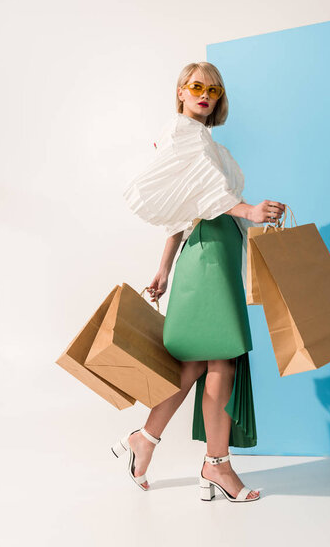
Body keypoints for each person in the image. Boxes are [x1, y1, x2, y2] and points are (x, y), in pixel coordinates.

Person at [116, 62, 285, 502]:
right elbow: (205, 198)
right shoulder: (182, 136)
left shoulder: (204, 142)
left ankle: (145, 439)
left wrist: (164, 269)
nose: (204, 94)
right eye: (196, 86)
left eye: (213, 88)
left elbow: (184, 207)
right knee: (221, 360)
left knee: (196, 362)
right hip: (208, 252)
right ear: (180, 93)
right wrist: (247, 210)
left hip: (216, 250)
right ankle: (217, 465)